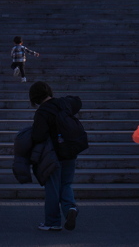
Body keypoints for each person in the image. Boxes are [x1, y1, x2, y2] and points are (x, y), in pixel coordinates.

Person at [30, 81, 81, 232]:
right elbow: (77, 101)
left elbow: (38, 136)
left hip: (53, 155)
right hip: (70, 152)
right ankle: (70, 208)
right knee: (66, 184)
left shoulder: (42, 112)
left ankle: (53, 221)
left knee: (52, 187)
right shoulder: (63, 103)